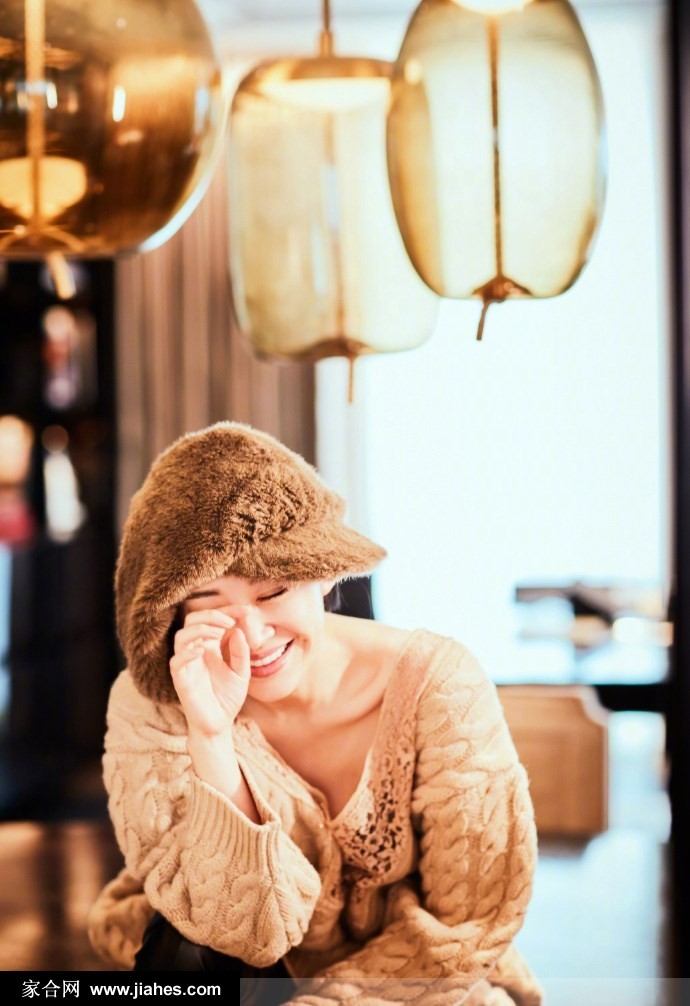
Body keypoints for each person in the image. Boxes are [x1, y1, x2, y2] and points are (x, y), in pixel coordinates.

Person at [87, 422, 543, 1005]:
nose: (252, 637)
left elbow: (466, 923)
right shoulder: (151, 706)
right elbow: (239, 937)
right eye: (210, 606)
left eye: (272, 592)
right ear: (172, 615)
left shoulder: (440, 688)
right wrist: (211, 740)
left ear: (324, 572)